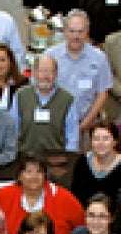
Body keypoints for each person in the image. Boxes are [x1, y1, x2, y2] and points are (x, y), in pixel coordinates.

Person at [0, 153, 86, 234]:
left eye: (39, 171)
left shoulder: (65, 198)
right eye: (29, 171)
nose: (34, 176)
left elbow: (83, 230)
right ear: (19, 176)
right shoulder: (2, 197)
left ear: (45, 175)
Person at [45, 9, 112, 140]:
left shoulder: (99, 58)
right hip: (55, 126)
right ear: (64, 31)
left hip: (87, 126)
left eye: (80, 32)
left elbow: (102, 93)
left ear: (87, 32)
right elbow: (42, 90)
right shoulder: (50, 56)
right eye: (72, 31)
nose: (76, 36)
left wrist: (85, 124)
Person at [10, 54, 82, 153]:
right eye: (42, 71)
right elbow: (13, 130)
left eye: (50, 71)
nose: (46, 76)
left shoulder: (68, 100)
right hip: (26, 159)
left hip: (56, 160)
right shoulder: (20, 96)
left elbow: (72, 136)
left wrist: (69, 159)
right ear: (34, 72)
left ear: (56, 74)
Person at [70, 118, 121, 208]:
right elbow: (75, 196)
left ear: (115, 141)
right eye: (96, 139)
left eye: (105, 139)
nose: (100, 143)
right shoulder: (82, 162)